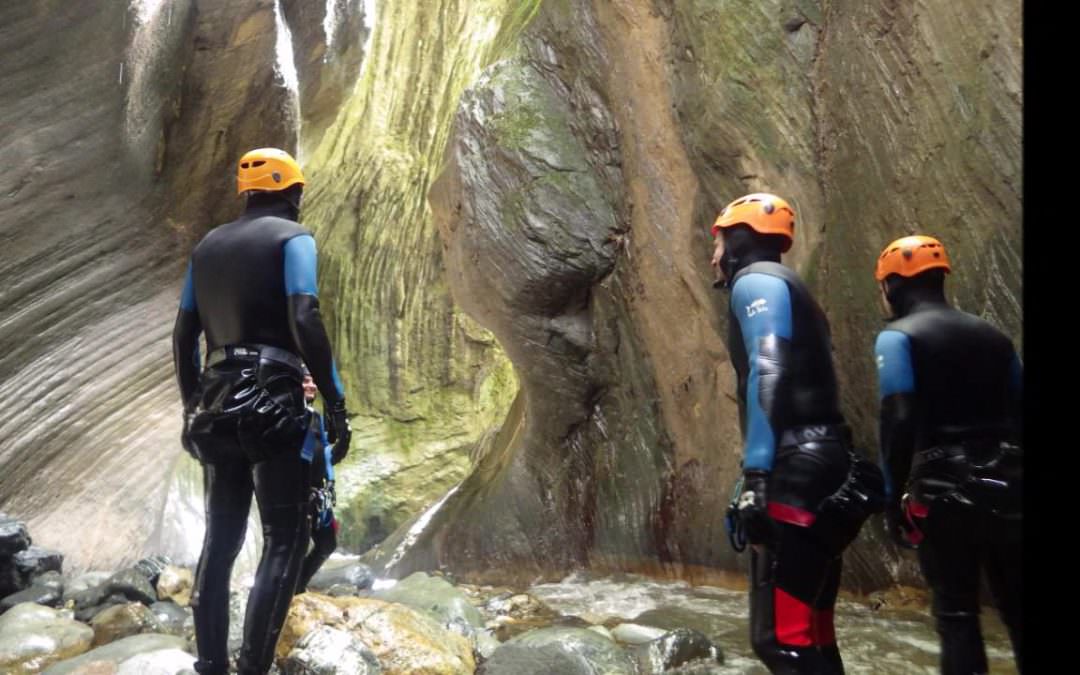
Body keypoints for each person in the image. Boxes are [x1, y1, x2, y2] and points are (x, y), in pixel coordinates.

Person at [173, 147, 352, 675]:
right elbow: (305, 314)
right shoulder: (294, 240)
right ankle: (252, 668)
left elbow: (184, 335)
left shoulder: (206, 248)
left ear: (247, 193)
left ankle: (211, 665)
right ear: (294, 192)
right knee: (286, 540)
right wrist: (336, 403)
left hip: (215, 399)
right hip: (273, 399)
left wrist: (191, 406)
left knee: (221, 540)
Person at [711, 193, 882, 674]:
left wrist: (758, 476)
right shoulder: (792, 287)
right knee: (812, 632)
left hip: (795, 470)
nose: (714, 255)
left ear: (740, 239)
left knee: (779, 641)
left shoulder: (754, 282)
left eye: (720, 241)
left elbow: (769, 369)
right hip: (827, 464)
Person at [873, 234, 1022, 674]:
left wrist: (891, 497)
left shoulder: (897, 338)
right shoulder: (995, 337)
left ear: (893, 284)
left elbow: (898, 419)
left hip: (945, 490)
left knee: (957, 616)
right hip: (1011, 485)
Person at [296, 366, 339, 592]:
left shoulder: (315, 417)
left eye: (313, 381)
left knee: (327, 543)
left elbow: (325, 449)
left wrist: (330, 483)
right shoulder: (290, 416)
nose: (311, 385)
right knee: (297, 547)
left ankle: (298, 585)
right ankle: (288, 592)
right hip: (298, 493)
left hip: (319, 492)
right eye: (305, 381)